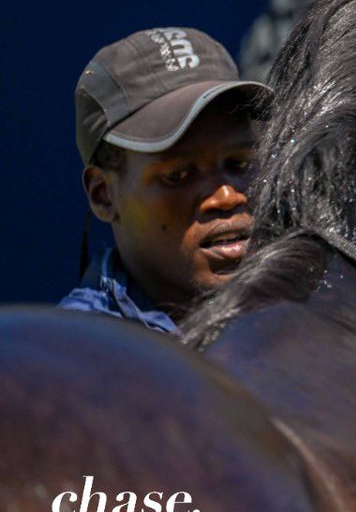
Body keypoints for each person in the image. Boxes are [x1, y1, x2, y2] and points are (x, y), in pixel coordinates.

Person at [61, 27, 269, 333]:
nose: (227, 197)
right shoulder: (76, 361)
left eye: (239, 164)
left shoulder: (326, 312)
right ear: (103, 195)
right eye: (178, 175)